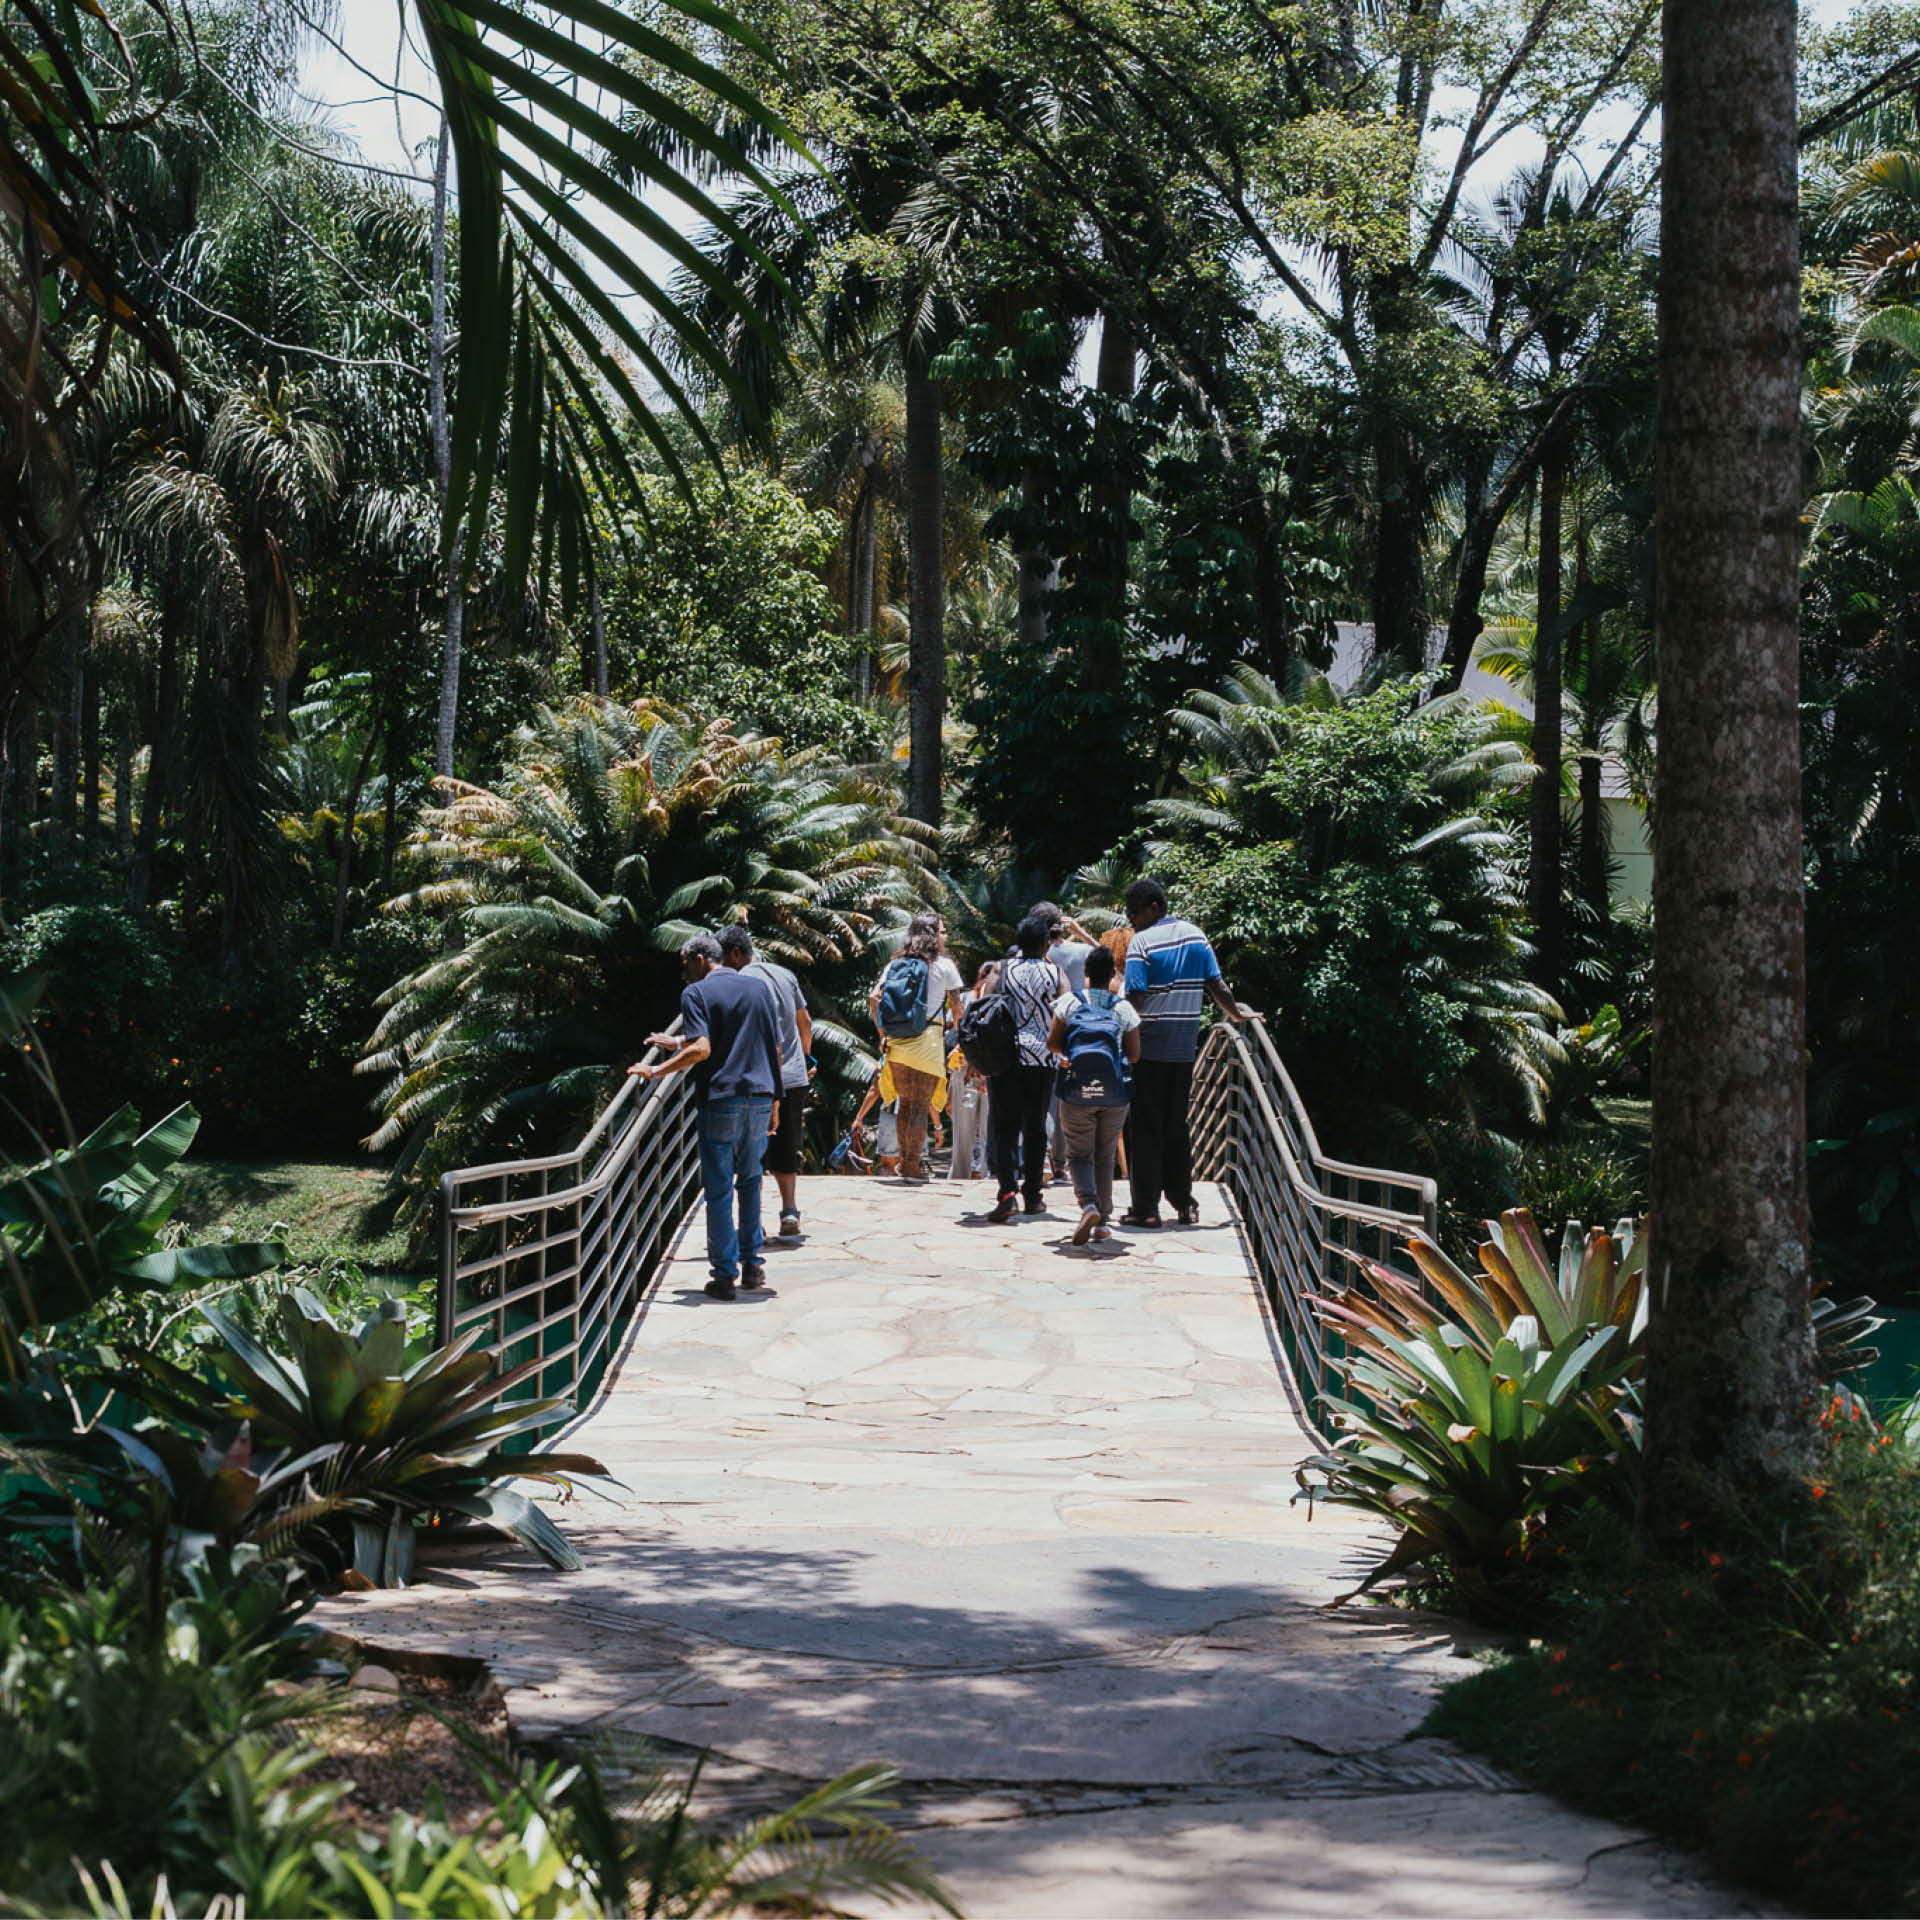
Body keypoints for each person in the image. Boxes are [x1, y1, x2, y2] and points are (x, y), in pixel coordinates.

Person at [630, 932, 782, 1300]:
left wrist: (656, 1071)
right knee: (750, 1181)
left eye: (685, 963)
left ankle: (724, 1276)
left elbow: (703, 1048)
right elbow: (772, 1046)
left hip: (722, 1099)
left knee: (718, 1189)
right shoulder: (758, 989)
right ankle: (752, 1265)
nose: (684, 972)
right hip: (760, 1096)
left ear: (700, 958)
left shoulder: (695, 994)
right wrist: (776, 1101)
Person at [1120, 877, 1262, 1229]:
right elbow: (1217, 985)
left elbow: (1135, 997)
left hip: (1148, 1050)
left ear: (1153, 907)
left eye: (1134, 913)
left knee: (1145, 1129)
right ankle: (1183, 1203)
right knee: (1175, 1127)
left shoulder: (1142, 943)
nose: (1132, 920)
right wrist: (1236, 1014)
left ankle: (1146, 1209)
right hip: (1184, 1051)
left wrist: (1117, 1031)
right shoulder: (1197, 936)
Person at [721, 924, 814, 1240]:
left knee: (752, 1152)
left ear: (735, 954)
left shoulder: (741, 981)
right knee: (787, 1145)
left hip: (759, 1079)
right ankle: (789, 1211)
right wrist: (805, 1060)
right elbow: (806, 1023)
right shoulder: (784, 973)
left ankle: (753, 1219)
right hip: (794, 1076)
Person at [1047, 943, 1141, 1243]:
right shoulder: (1123, 1007)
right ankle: (1103, 1220)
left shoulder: (1069, 1003)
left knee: (1078, 1154)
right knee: (1105, 1153)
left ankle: (1088, 1204)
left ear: (1085, 973)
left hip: (1075, 1089)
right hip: (1115, 1093)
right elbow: (1135, 1054)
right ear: (1113, 974)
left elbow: (1052, 1043)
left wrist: (1072, 1054)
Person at [867, 911, 964, 1182]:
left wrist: (882, 1032)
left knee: (905, 1104)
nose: (945, 936)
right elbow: (957, 1007)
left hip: (897, 1042)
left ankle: (905, 1164)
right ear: (934, 936)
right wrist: (962, 1039)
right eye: (942, 931)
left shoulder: (895, 964)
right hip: (928, 1041)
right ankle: (911, 1165)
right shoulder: (944, 965)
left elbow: (874, 997)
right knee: (920, 1106)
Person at [985, 914, 1067, 1223]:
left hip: (1007, 1058)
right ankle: (1033, 1195)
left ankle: (1007, 1194)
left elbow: (985, 1005)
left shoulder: (1001, 969)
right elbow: (1067, 1007)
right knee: (1035, 1129)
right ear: (1046, 942)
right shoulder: (1055, 972)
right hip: (1043, 1059)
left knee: (1005, 1128)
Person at [948, 960, 998, 1180]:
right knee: (970, 1131)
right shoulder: (983, 1000)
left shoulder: (971, 999)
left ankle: (968, 1176)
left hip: (973, 1068)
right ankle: (976, 1177)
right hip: (977, 1068)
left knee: (971, 1131)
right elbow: (955, 1028)